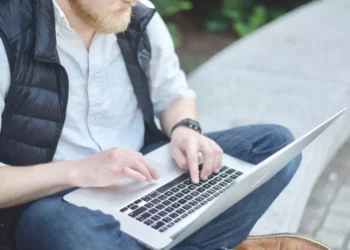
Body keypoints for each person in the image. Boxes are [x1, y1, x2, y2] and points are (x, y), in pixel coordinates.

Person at [0, 0, 304, 249]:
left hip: (146, 172)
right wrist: (79, 170)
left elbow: (174, 94)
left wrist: (185, 128)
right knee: (69, 233)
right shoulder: (7, 32)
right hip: (55, 198)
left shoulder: (134, 13)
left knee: (276, 146)